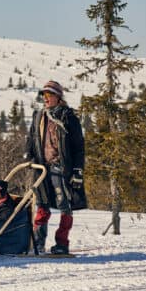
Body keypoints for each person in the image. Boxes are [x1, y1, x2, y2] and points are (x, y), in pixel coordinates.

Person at [26, 80, 87, 255]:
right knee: (42, 204)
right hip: (41, 166)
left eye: (49, 95)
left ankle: (62, 243)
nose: (45, 98)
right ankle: (38, 243)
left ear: (58, 97)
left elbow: (78, 147)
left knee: (64, 204)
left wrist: (77, 171)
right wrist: (28, 155)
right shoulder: (39, 116)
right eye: (43, 95)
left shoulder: (68, 117)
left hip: (60, 166)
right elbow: (31, 138)